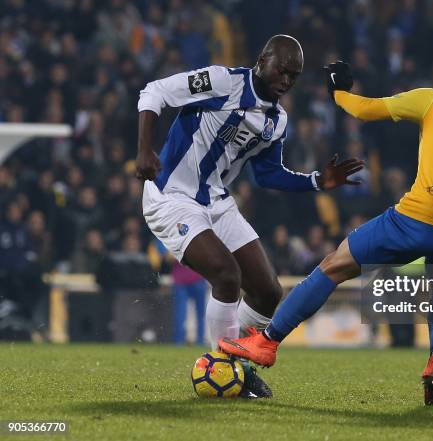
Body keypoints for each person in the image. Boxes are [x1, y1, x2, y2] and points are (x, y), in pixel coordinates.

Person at [219, 51, 433, 405]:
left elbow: (365, 110)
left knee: (334, 265)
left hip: (418, 215)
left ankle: (268, 341)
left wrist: (339, 91)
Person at [135, 34, 363, 398]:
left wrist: (319, 181)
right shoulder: (223, 82)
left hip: (217, 201)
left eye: (294, 76)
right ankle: (225, 369)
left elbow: (268, 174)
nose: (286, 80)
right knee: (227, 275)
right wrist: (145, 150)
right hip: (171, 197)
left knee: (268, 291)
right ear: (262, 59)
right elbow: (154, 92)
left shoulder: (277, 120)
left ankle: (235, 364)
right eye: (282, 70)